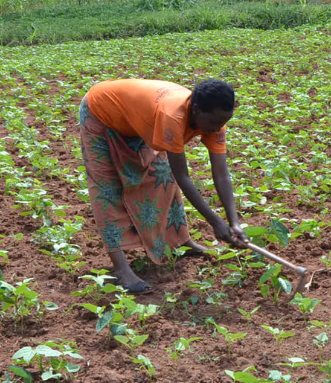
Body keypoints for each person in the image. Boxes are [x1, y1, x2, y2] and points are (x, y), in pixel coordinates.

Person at [78, 78, 247, 293]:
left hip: (134, 121)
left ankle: (181, 242)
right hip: (101, 113)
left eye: (223, 122)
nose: (217, 128)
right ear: (196, 110)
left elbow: (221, 174)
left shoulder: (215, 121)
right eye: (213, 122)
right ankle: (121, 269)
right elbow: (183, 176)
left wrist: (234, 222)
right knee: (107, 189)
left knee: (162, 175)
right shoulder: (172, 117)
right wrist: (215, 222)